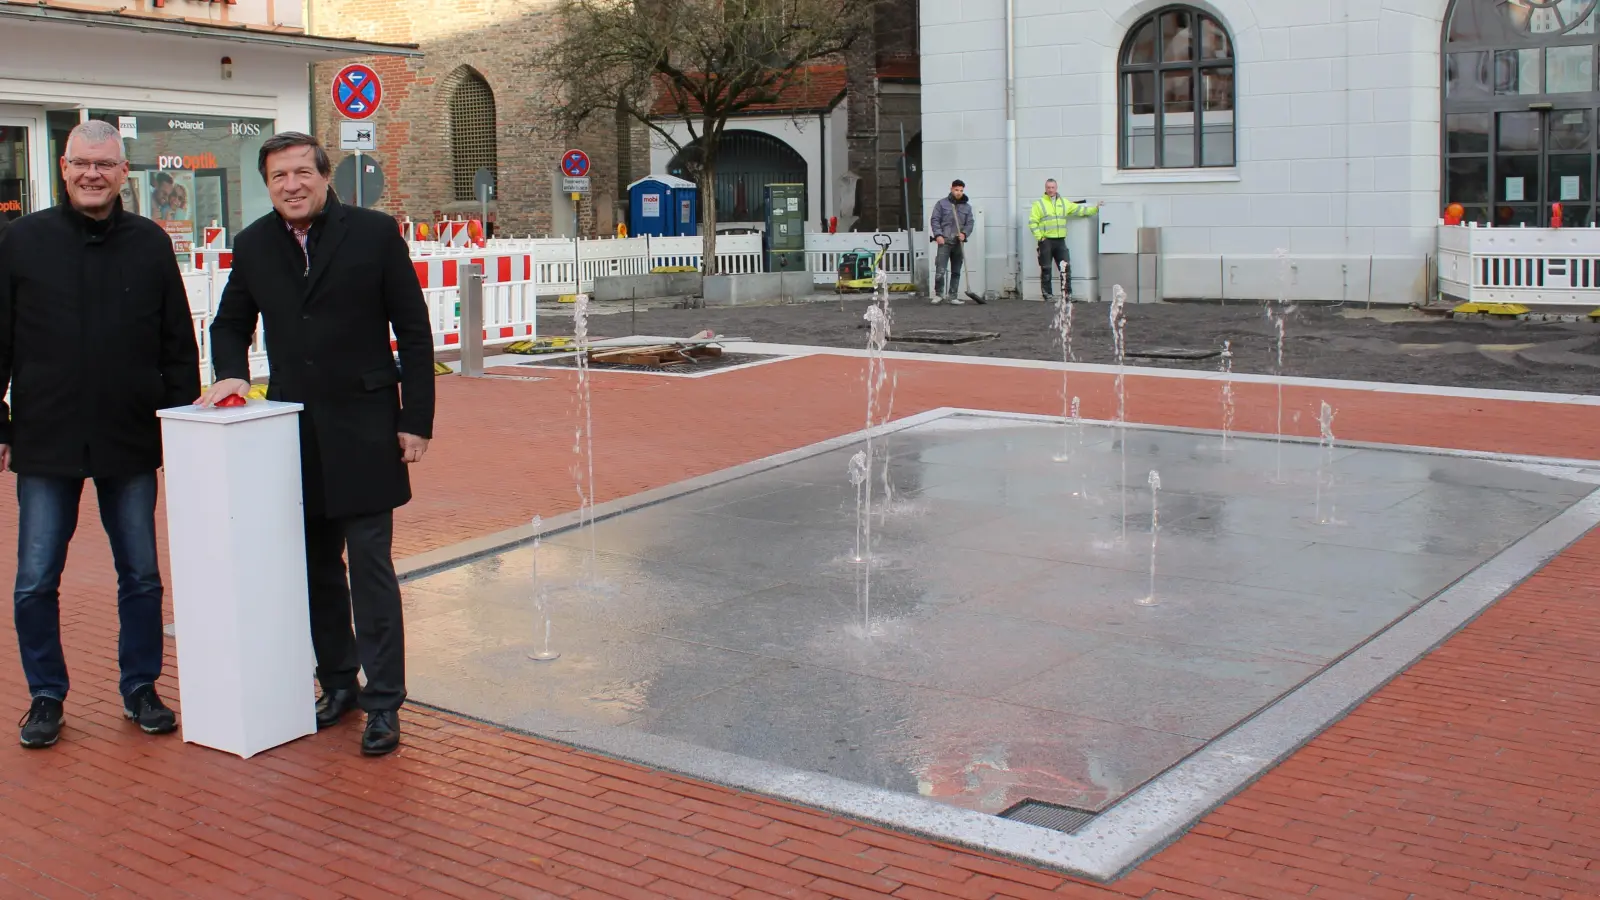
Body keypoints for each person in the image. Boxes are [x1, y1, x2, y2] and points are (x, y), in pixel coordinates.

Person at [199, 133, 434, 757]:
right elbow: (229, 323)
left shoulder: (374, 234)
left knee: (371, 569)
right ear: (267, 183)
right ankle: (339, 685)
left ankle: (385, 703)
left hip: (366, 428)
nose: (292, 185)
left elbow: (412, 331)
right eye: (279, 176)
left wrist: (417, 420)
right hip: (291, 432)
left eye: (303, 172)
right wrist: (230, 373)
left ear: (325, 177)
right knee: (315, 569)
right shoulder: (252, 245)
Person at [0, 120, 201, 749]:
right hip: (46, 437)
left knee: (141, 574)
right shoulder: (20, 241)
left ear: (122, 171)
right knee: (35, 579)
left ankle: (140, 686)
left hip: (129, 436)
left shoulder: (149, 243)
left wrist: (181, 419)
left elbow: (177, 341)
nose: (93, 174)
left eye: (106, 164)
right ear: (64, 167)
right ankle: (45, 695)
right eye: (82, 163)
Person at [1028, 179, 1099, 300]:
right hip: (1046, 241)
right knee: (1046, 268)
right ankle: (1048, 295)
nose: (1050, 190)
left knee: (1065, 268)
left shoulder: (1064, 203)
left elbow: (1079, 210)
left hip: (1060, 240)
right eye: (1048, 187)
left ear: (1056, 188)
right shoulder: (1039, 204)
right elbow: (1032, 222)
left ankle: (1067, 295)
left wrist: (1095, 208)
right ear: (1045, 189)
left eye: (1052, 187)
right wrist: (1040, 237)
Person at [929, 179, 974, 304]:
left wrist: (964, 234)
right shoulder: (942, 204)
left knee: (956, 271)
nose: (959, 192)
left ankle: (953, 296)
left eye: (961, 190)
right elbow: (935, 220)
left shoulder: (967, 207)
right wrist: (938, 235)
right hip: (944, 241)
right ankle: (939, 294)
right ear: (951, 189)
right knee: (940, 271)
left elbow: (970, 223)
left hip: (958, 242)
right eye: (956, 190)